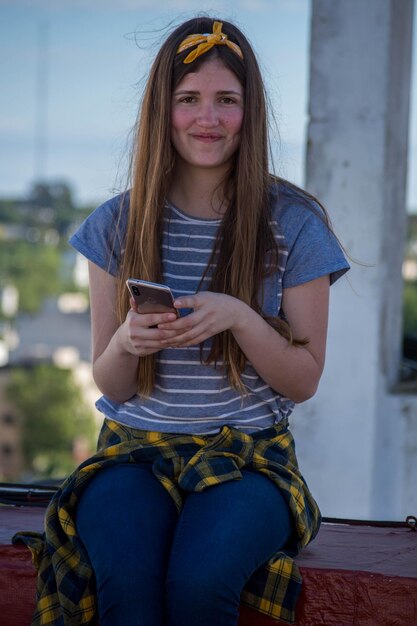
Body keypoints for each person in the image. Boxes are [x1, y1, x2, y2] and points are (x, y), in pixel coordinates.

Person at [16, 16, 349, 626]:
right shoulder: (116, 224)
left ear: (251, 113)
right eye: (188, 100)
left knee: (199, 587)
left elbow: (303, 380)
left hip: (251, 459)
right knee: (129, 593)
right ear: (161, 112)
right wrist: (124, 340)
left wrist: (242, 318)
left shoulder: (295, 223)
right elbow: (111, 384)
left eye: (227, 100)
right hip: (131, 455)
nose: (209, 119)